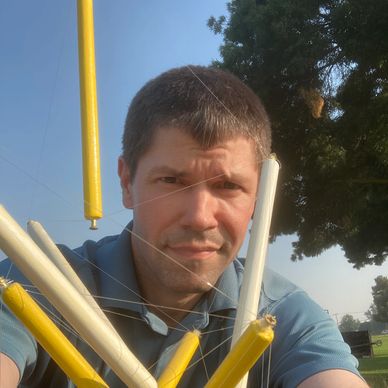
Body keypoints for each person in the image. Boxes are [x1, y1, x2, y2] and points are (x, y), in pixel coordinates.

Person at [0, 66, 367, 387]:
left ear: (257, 199)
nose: (200, 217)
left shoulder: (284, 315)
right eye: (172, 181)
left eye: (228, 186)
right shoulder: (35, 280)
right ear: (127, 183)